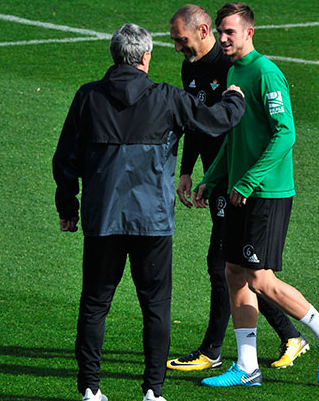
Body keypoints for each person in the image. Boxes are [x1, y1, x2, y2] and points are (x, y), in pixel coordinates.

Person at [52, 23, 245, 401]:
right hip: (151, 222)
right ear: (145, 57)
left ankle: (90, 390)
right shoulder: (167, 98)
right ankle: (153, 392)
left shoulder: (88, 97)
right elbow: (214, 121)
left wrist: (68, 206)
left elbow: (64, 160)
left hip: (103, 219)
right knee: (156, 308)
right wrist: (235, 99)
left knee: (94, 306)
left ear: (114, 56)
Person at [194, 3, 319, 388]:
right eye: (220, 31)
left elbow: (285, 133)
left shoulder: (266, 74)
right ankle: (247, 366)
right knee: (234, 273)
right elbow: (233, 136)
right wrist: (211, 178)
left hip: (267, 193)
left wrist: (247, 181)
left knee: (261, 280)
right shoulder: (233, 72)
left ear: (249, 32)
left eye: (229, 32)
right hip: (239, 191)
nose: (223, 38)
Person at [165, 5, 310, 372]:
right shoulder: (193, 67)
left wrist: (238, 178)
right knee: (239, 268)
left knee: (229, 267)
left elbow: (279, 131)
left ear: (202, 32)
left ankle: (213, 350)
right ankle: (289, 336)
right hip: (220, 178)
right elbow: (195, 121)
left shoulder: (234, 67)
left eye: (182, 40)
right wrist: (190, 171)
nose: (178, 47)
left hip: (242, 183)